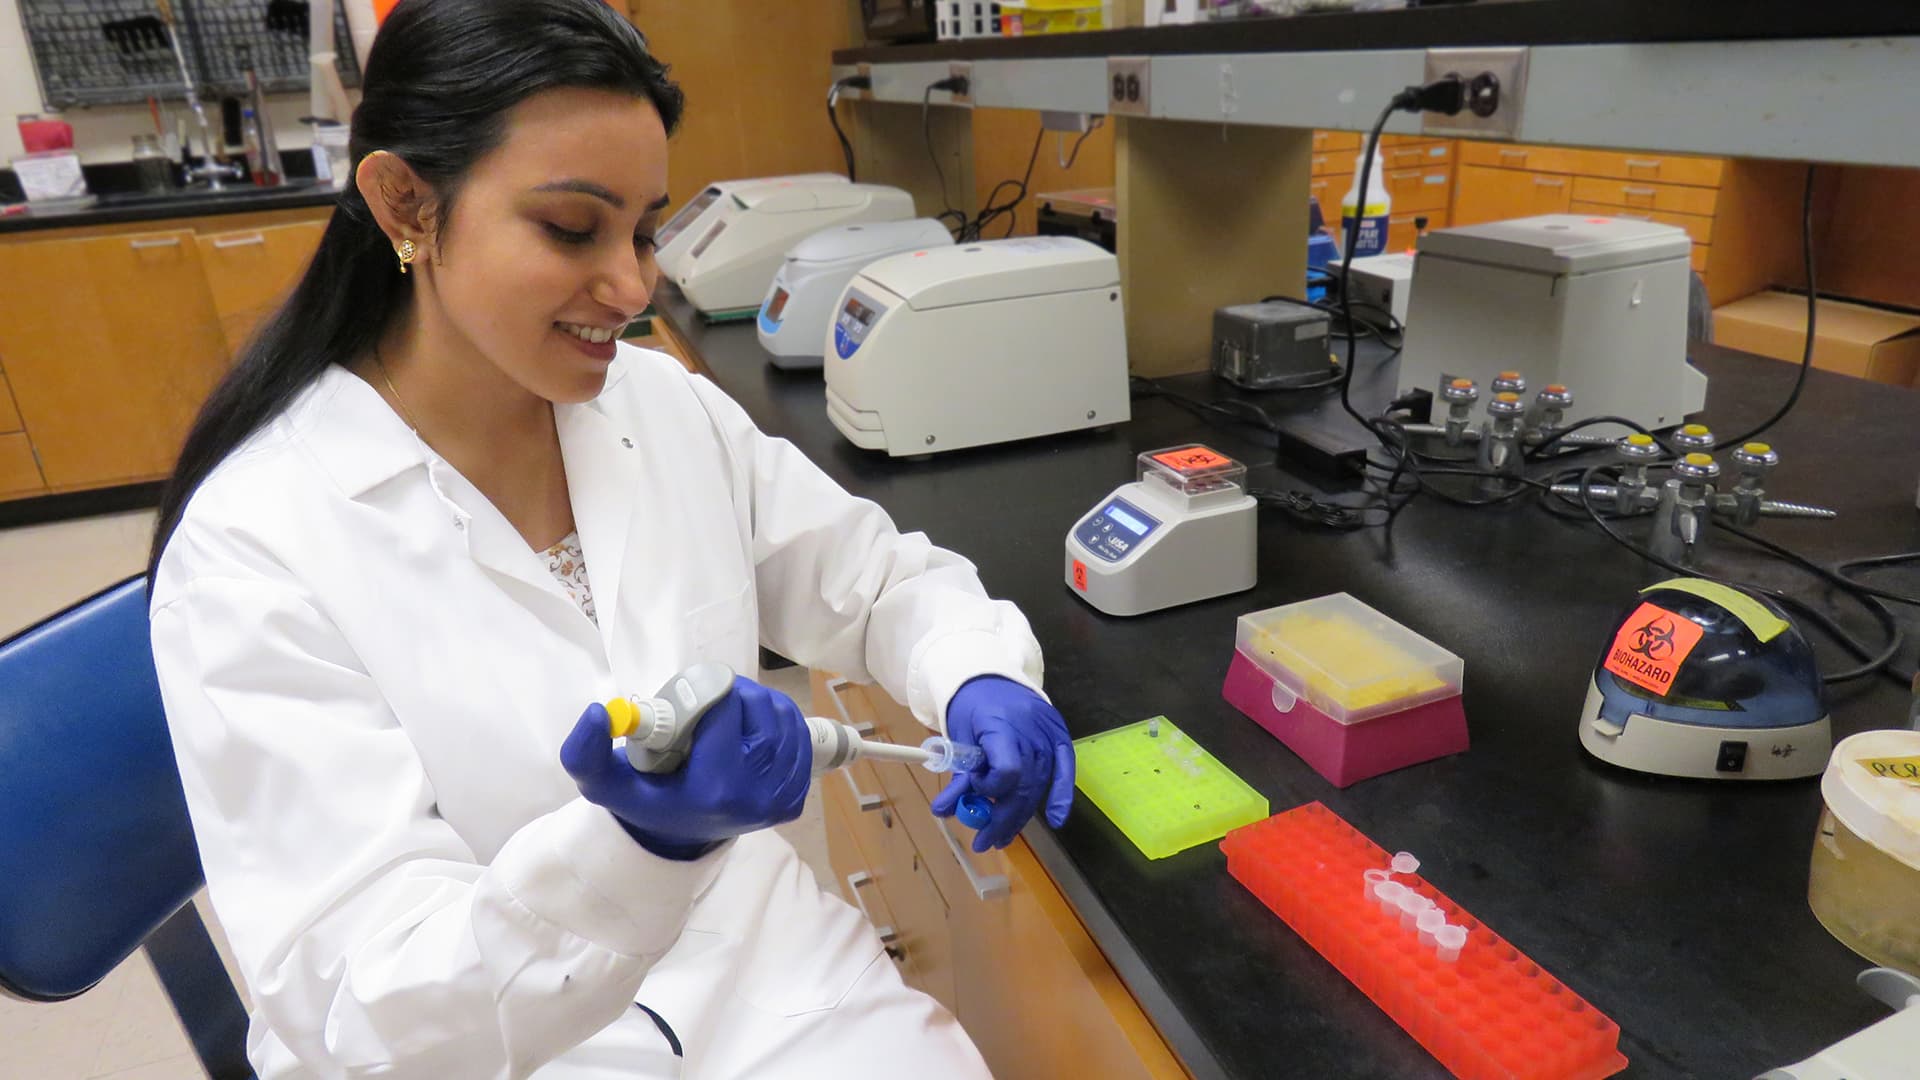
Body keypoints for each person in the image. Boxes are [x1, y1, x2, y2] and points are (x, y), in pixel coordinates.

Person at [144, 0, 1074, 1076]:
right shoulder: (257, 545)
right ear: (407, 204)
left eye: (642, 230)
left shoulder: (660, 410)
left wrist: (976, 676)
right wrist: (637, 848)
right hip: (503, 1047)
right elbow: (363, 1005)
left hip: (770, 979)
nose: (634, 289)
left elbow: (868, 580)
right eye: (572, 229)